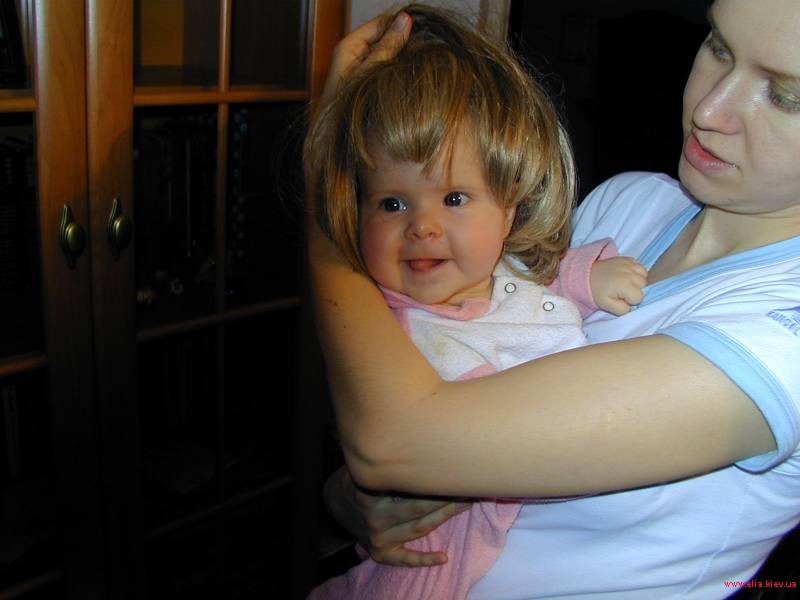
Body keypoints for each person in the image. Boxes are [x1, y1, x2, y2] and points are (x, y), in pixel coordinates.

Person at [309, 0, 800, 597]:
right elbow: (439, 354)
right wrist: (358, 497)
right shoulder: (627, 203)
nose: (708, 110)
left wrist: (328, 197)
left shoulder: (785, 337)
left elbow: (396, 439)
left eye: (785, 96)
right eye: (719, 48)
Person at [304, 6, 647, 599]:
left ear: (508, 211)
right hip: (438, 563)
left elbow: (537, 285)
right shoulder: (400, 331)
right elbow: (509, 443)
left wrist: (587, 278)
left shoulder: (504, 270)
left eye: (455, 198)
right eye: (391, 204)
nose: (422, 226)